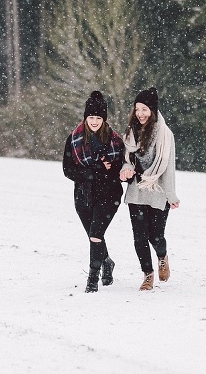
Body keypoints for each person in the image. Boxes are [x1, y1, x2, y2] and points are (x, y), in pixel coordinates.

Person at [63, 91, 125, 293]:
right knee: (93, 235)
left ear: (104, 119)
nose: (95, 121)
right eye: (91, 117)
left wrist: (111, 172)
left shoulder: (115, 141)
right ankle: (107, 261)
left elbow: (120, 169)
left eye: (99, 117)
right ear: (85, 117)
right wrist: (92, 173)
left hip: (109, 194)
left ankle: (92, 279)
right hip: (84, 195)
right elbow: (68, 170)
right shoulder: (74, 140)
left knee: (96, 234)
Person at [119, 87, 180, 291]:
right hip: (137, 190)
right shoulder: (131, 132)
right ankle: (148, 274)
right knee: (139, 236)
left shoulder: (165, 134)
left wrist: (171, 195)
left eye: (144, 109)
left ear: (152, 110)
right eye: (137, 109)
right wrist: (126, 169)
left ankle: (162, 257)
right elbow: (127, 159)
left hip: (158, 190)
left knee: (156, 236)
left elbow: (168, 167)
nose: (140, 114)